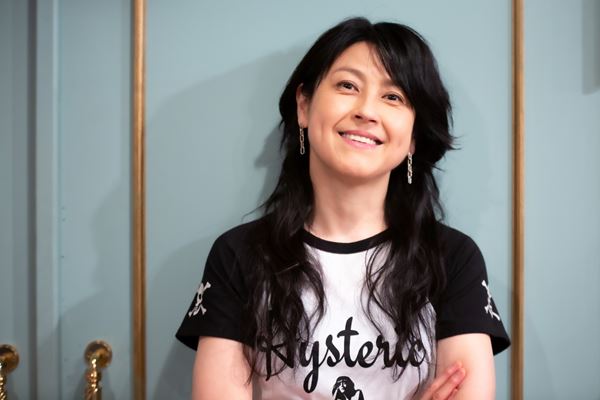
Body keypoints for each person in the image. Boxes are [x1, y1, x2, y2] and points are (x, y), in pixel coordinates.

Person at [176, 17, 510, 399]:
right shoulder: (240, 255)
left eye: (393, 97)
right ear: (304, 105)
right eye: (347, 86)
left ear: (414, 136)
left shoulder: (453, 259)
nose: (367, 110)